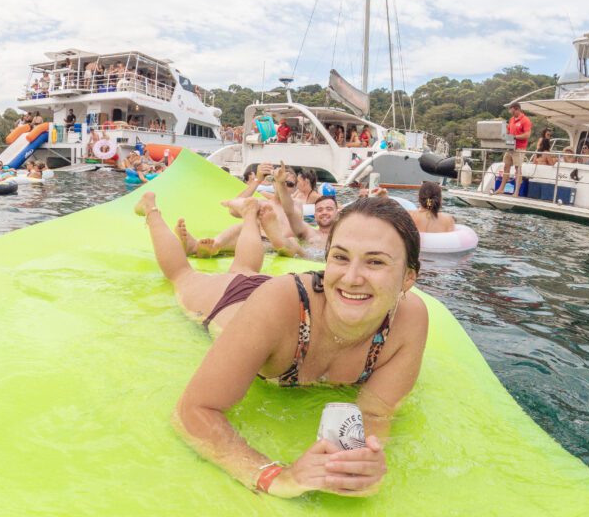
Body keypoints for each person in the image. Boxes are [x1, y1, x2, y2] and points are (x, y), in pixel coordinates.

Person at [135, 190, 427, 498]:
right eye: (340, 257)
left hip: (279, 298)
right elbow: (192, 411)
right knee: (183, 276)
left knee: (246, 270)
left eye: (376, 262)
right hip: (229, 301)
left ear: (408, 278)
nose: (352, 278)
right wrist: (274, 475)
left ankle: (250, 213)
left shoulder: (408, 321)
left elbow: (376, 415)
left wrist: (362, 463)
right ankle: (151, 208)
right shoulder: (276, 305)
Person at [493, 102, 532, 197]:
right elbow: (508, 131)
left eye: (512, 110)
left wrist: (515, 137)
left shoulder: (525, 120)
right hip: (510, 147)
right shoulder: (511, 119)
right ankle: (501, 189)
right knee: (506, 167)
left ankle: (516, 192)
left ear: (517, 109)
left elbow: (527, 135)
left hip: (519, 148)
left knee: (518, 169)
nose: (510, 112)